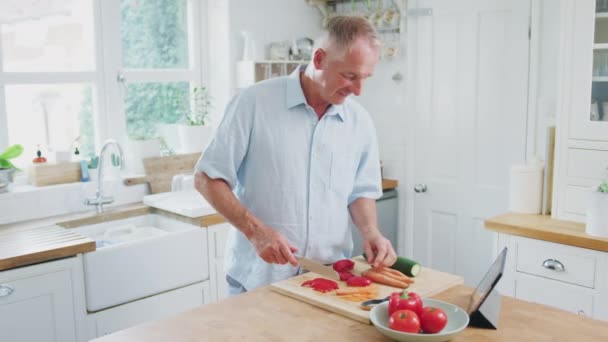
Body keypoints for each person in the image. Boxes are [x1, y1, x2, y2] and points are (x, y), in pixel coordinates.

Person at [194, 15, 397, 296]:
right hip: (259, 280)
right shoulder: (253, 103)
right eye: (350, 76)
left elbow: (361, 190)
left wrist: (371, 231)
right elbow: (207, 178)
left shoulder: (359, 121)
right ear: (318, 59)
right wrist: (256, 232)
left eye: (365, 77)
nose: (358, 90)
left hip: (331, 279)